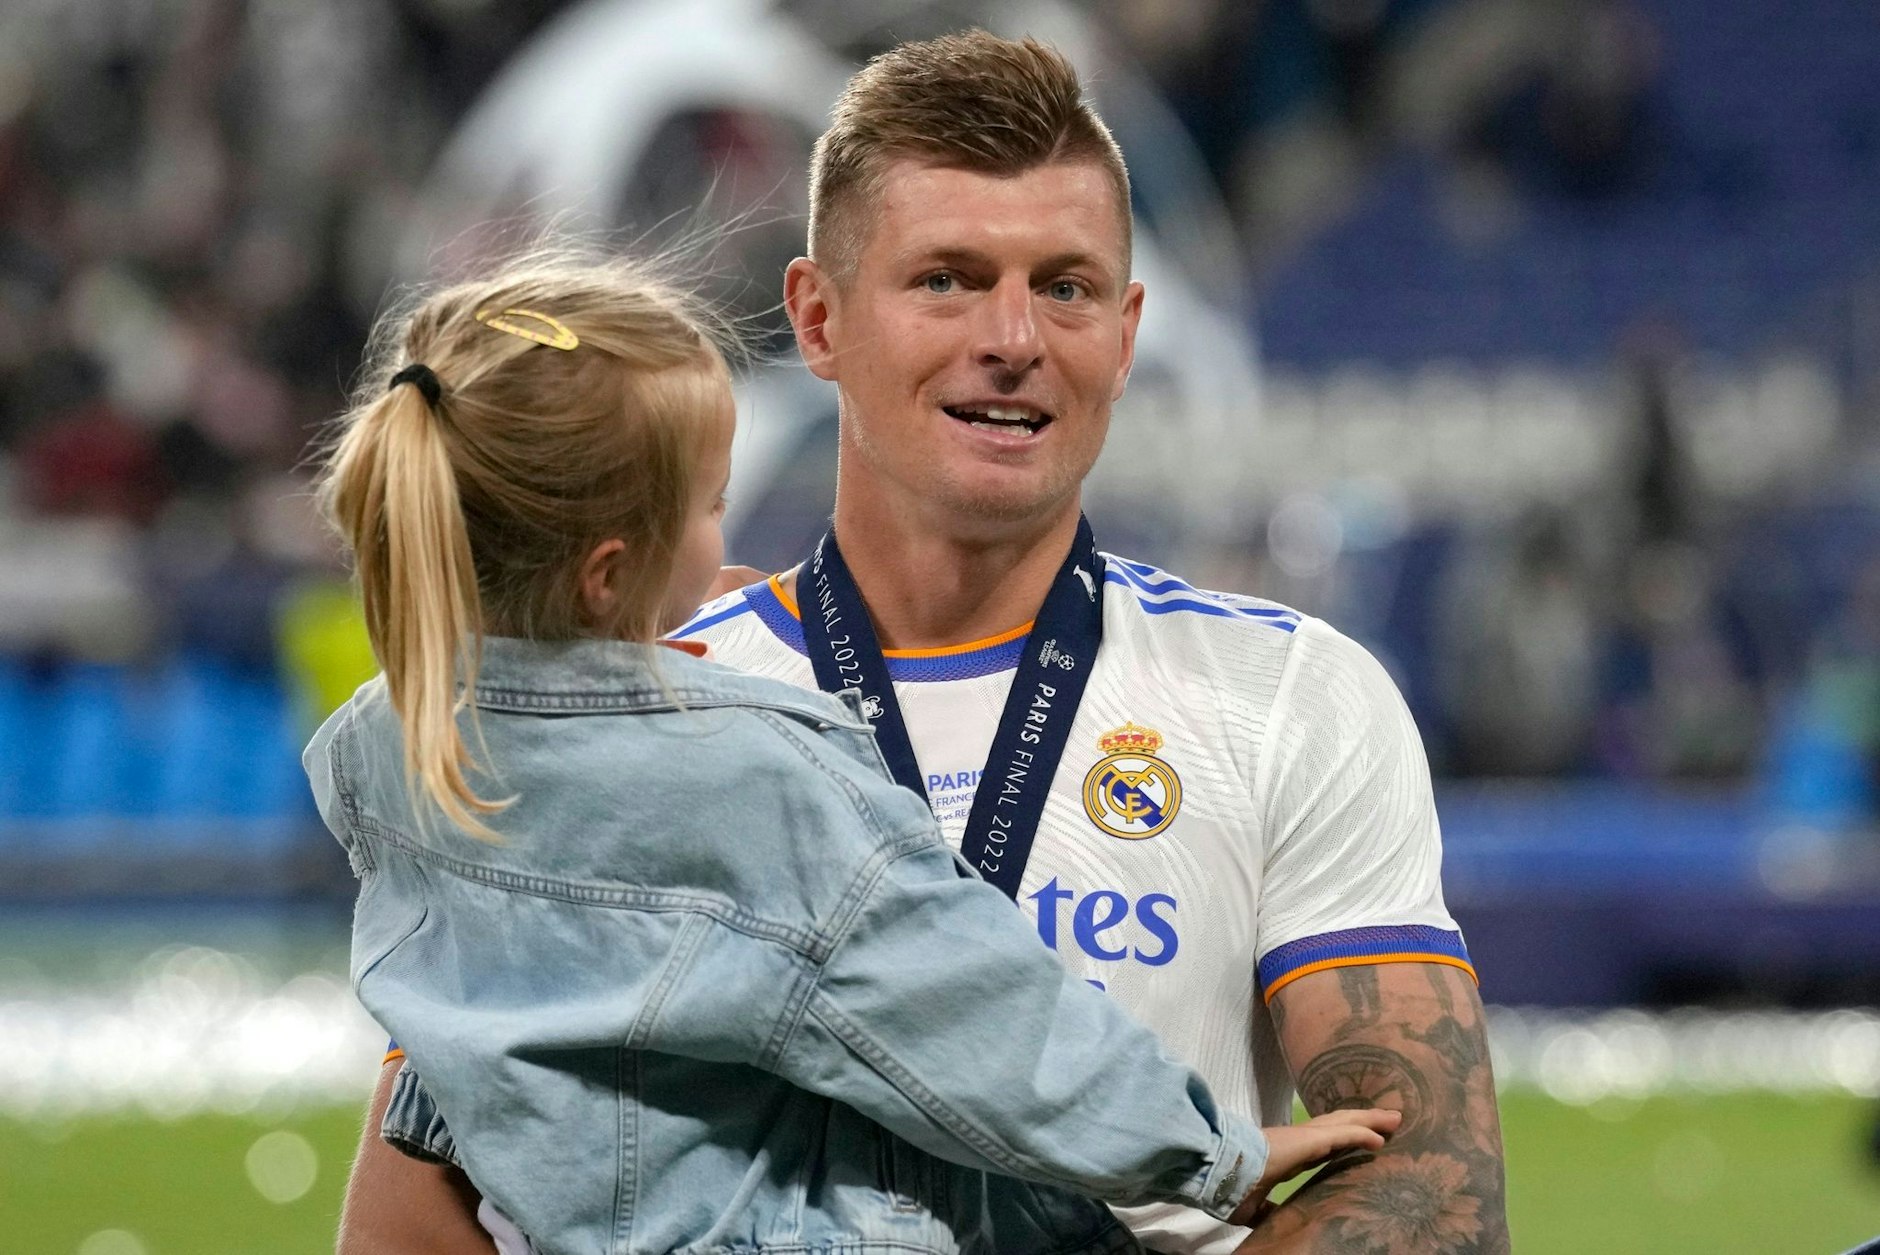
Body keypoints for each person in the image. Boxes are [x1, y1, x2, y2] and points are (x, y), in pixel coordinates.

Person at [339, 30, 1509, 1255]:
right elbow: (413, 1216)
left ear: (1124, 333)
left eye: (1064, 287)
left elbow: (1430, 1197)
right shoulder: (626, 710)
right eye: (946, 279)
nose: (1012, 336)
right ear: (817, 318)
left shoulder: (1288, 696)